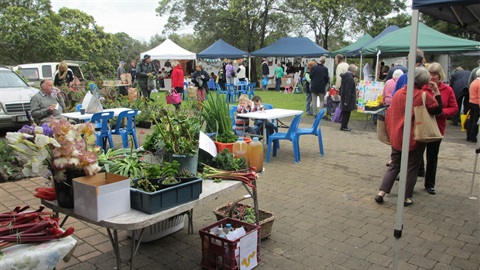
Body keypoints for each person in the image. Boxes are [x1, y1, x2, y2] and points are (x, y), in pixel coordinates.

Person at [375, 67, 443, 206]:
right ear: (424, 81)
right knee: (412, 167)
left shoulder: (399, 93)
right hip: (415, 137)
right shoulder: (423, 96)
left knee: (394, 165)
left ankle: (381, 193)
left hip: (397, 135)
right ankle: (406, 197)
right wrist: (436, 92)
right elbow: (438, 110)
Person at [420, 63, 458, 195]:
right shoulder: (422, 88)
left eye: (434, 74)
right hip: (422, 125)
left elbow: (454, 108)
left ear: (440, 75)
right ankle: (414, 176)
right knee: (417, 153)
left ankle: (430, 183)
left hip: (437, 127)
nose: (432, 77)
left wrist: (442, 112)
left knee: (432, 156)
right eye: (429, 74)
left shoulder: (447, 90)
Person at [339, 64, 357, 131]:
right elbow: (348, 89)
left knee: (345, 112)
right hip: (348, 98)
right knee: (347, 113)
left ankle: (344, 125)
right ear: (353, 71)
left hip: (344, 96)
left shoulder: (345, 76)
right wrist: (347, 101)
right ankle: (344, 126)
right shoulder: (350, 78)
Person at [467, 69, 480, 143]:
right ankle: (473, 137)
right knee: (476, 121)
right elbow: (479, 96)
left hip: (471, 102)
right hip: (476, 103)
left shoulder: (473, 82)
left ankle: (469, 136)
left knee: (471, 120)